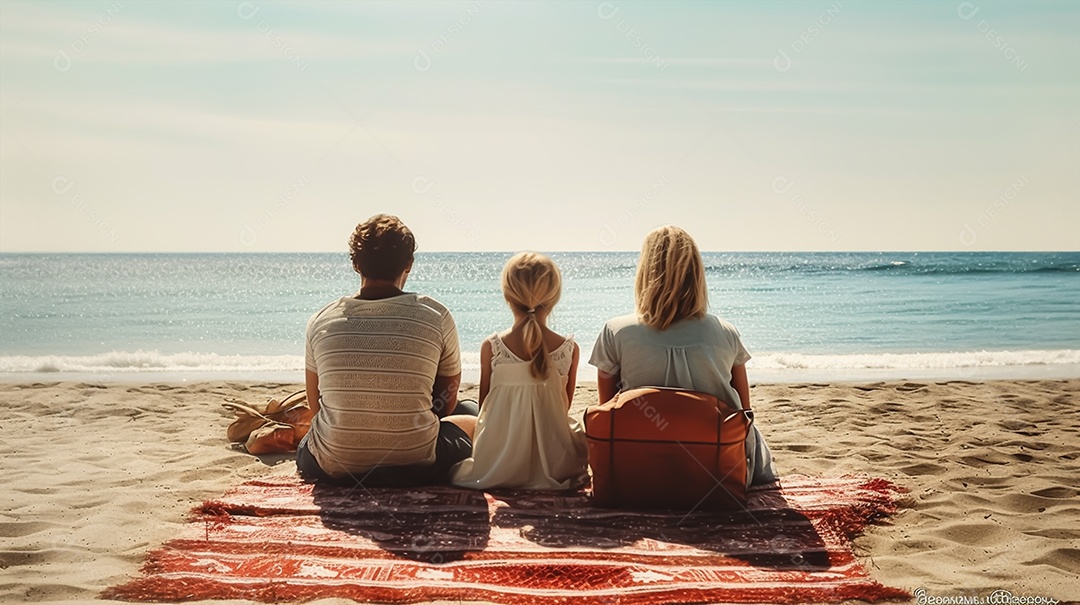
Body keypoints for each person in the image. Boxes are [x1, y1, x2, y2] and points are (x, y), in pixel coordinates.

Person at [296, 214, 478, 486]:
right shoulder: (436, 315)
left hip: (335, 463)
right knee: (470, 410)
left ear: (356, 264)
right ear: (409, 264)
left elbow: (316, 404)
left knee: (309, 444)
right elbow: (445, 402)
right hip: (417, 461)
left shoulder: (321, 320)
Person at [589, 225, 776, 485]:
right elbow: (744, 414)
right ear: (696, 274)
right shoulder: (725, 332)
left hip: (639, 465)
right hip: (715, 469)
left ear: (644, 272)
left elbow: (608, 410)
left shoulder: (616, 331)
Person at [451, 252, 589, 490]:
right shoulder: (569, 349)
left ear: (507, 296)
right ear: (555, 297)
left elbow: (486, 409)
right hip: (555, 462)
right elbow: (562, 407)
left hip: (498, 462)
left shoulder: (491, 347)